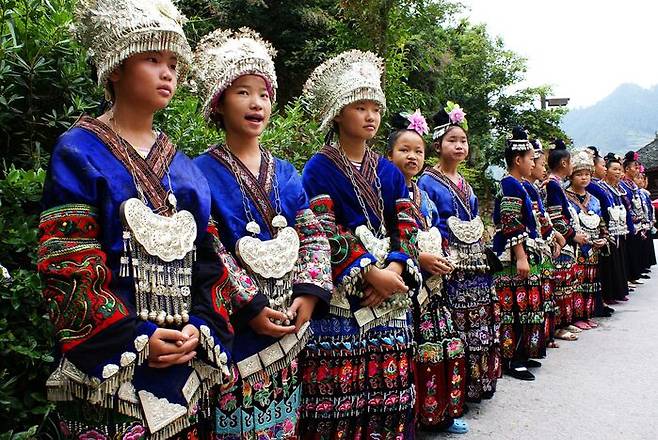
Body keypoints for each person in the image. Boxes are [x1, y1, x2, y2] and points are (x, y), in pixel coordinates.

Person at [38, 2, 244, 437]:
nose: (167, 73)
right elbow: (67, 262)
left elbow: (210, 263)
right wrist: (138, 337)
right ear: (115, 68)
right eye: (152, 59)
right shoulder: (79, 152)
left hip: (185, 359)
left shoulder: (185, 169)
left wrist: (202, 327)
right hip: (111, 369)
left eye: (173, 63)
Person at [191, 28, 333, 438]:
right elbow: (209, 246)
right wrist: (250, 305)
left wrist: (309, 292)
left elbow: (313, 233)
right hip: (240, 327)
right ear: (218, 101)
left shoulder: (287, 171)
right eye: (242, 92)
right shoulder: (199, 172)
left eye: (264, 94)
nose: (257, 103)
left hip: (291, 317)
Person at [300, 50, 420, 438]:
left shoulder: (389, 170)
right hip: (343, 294)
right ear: (337, 113)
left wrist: (396, 269)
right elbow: (323, 229)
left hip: (390, 291)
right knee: (340, 390)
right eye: (360, 107)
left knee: (391, 391)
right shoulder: (318, 167)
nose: (371, 116)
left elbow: (405, 223)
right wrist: (370, 272)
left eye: (376, 108)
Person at [388, 110, 468, 434]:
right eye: (404, 150)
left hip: (435, 285)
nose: (412, 156)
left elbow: (436, 229)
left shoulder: (423, 194)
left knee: (442, 346)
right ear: (389, 155)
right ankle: (417, 416)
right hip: (407, 284)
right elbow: (390, 236)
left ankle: (441, 412)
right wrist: (419, 258)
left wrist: (443, 255)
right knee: (414, 352)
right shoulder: (385, 192)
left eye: (417, 151)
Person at [418, 102, 501, 402]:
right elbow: (431, 224)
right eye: (452, 140)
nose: (459, 145)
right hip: (451, 267)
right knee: (457, 325)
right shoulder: (427, 182)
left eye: (463, 140)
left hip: (477, 266)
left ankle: (479, 382)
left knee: (479, 323)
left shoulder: (465, 184)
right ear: (437, 144)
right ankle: (457, 388)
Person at [492, 127, 543, 381]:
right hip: (511, 256)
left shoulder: (518, 184)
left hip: (521, 252)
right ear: (518, 160)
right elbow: (510, 221)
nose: (534, 162)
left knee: (523, 306)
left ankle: (521, 353)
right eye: (531, 158)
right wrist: (521, 256)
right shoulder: (509, 184)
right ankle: (511, 358)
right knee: (512, 307)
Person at [544, 140, 589, 341]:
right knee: (561, 285)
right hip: (562, 243)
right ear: (563, 163)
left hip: (567, 241)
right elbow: (555, 217)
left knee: (567, 283)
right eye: (570, 162)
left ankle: (565, 321)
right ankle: (558, 326)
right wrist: (572, 235)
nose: (572, 166)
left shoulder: (557, 184)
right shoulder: (553, 185)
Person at [523, 139, 565, 350]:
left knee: (543, 296)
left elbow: (543, 217)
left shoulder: (534, 188)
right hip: (531, 248)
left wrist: (554, 235)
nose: (540, 168)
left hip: (541, 246)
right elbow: (537, 219)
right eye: (539, 164)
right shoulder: (521, 188)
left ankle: (545, 337)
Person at [565, 151, 607, 330]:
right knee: (577, 284)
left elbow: (602, 222)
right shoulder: (565, 197)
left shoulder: (595, 200)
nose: (584, 178)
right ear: (572, 176)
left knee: (590, 282)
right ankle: (575, 317)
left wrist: (604, 238)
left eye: (587, 174)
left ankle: (587, 314)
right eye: (579, 174)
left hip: (593, 249)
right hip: (575, 249)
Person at [599, 154, 631, 303]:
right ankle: (611, 293)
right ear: (607, 170)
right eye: (614, 169)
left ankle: (621, 290)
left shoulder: (618, 189)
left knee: (620, 258)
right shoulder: (601, 187)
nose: (618, 172)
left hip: (620, 228)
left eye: (619, 169)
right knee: (612, 260)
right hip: (610, 229)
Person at [620, 151, 646, 286]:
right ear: (627, 169)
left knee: (635, 248)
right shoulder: (623, 184)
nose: (637, 170)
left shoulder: (632, 184)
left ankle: (634, 275)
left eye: (637, 167)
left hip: (637, 219)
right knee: (629, 250)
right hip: (629, 220)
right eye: (634, 167)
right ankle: (629, 276)